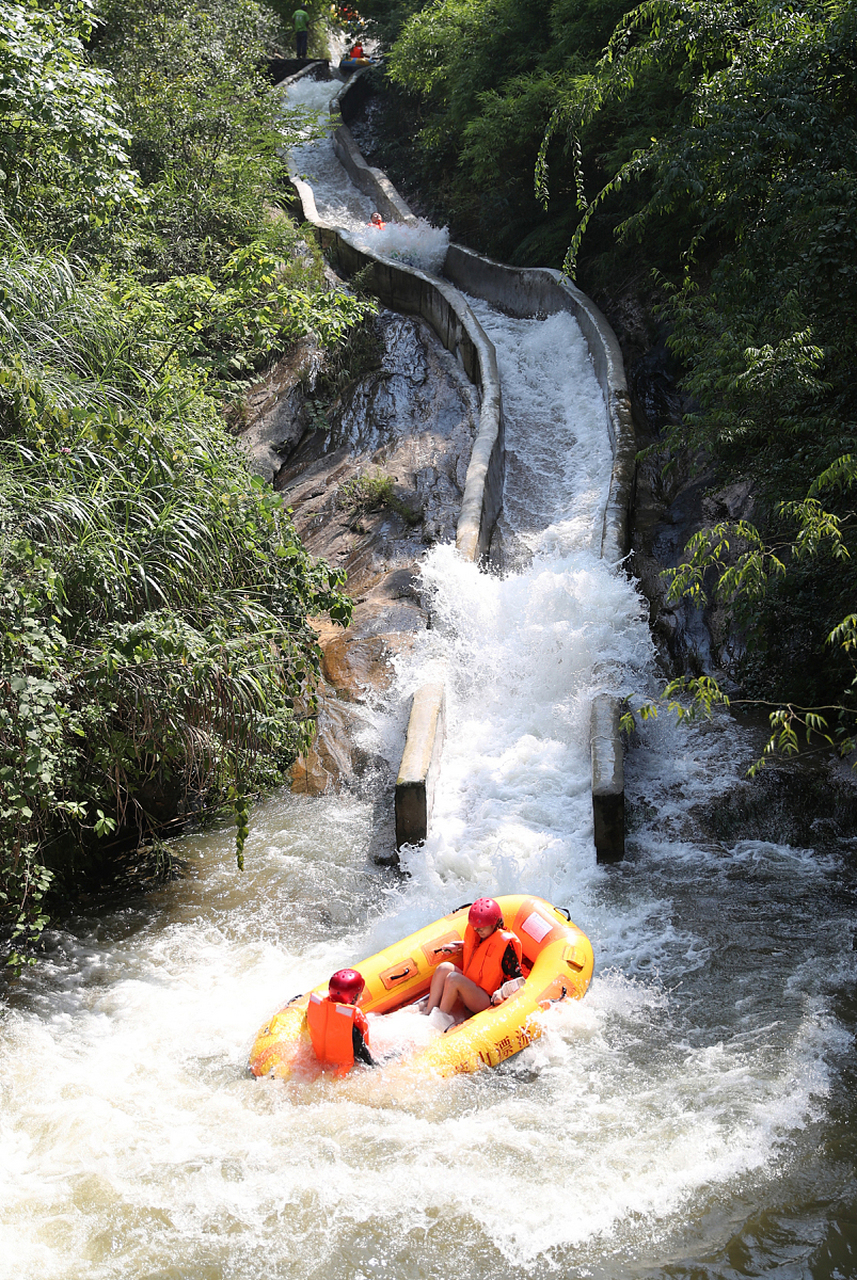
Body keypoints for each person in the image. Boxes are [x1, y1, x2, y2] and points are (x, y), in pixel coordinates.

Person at [425, 898, 523, 1030]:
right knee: (444, 968)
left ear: (495, 923)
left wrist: (502, 993)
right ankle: (428, 1013)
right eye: (476, 928)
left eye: (482, 928)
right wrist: (460, 946)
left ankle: (439, 1022)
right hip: (473, 984)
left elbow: (518, 979)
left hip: (486, 998)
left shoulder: (506, 945)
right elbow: (480, 951)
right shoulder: (482, 935)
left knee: (453, 979)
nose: (478, 931)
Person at [306, 968, 376, 1074]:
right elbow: (367, 1063)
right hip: (344, 1074)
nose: (360, 997)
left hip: (319, 1064)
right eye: (359, 994)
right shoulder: (352, 1032)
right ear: (353, 997)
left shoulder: (317, 1009)